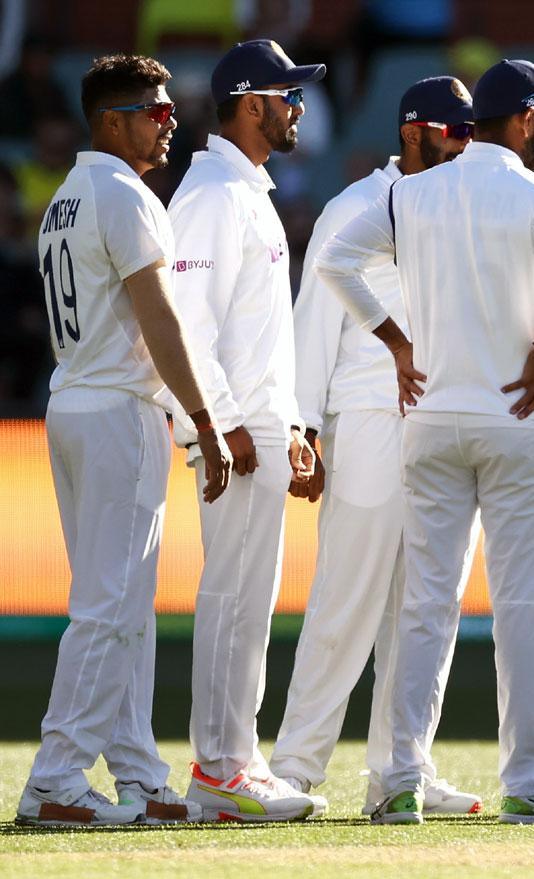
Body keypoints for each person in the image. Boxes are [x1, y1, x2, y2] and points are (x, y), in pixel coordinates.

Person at [315, 59, 534, 825]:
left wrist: (397, 343)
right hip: (517, 418)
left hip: (432, 418)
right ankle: (528, 780)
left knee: (425, 608)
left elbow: (339, 258)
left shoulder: (412, 191)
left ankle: (399, 778)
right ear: (529, 120)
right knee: (524, 606)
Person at [17, 54, 230, 826]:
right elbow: (160, 319)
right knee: (109, 606)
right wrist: (205, 419)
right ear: (113, 119)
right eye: (156, 109)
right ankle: (55, 778)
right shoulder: (126, 194)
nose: (170, 119)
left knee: (123, 605)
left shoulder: (67, 199)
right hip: (116, 411)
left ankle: (137, 771)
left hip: (74, 399)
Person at [269, 75, 483, 819]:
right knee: (347, 597)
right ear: (414, 130)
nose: (463, 147)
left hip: (449, 423)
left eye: (470, 135)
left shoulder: (463, 208)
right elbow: (312, 322)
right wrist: (303, 425)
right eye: (452, 134)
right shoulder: (355, 205)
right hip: (367, 417)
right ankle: (295, 766)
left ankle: (403, 769)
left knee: (429, 605)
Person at [169, 39, 323, 822]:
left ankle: (238, 754)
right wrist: (220, 426)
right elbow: (187, 328)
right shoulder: (210, 195)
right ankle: (219, 768)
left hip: (258, 427)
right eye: (287, 94)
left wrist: (289, 421)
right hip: (230, 432)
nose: (299, 106)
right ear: (250, 102)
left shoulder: (248, 191)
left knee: (251, 599)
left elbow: (261, 335)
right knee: (231, 595)